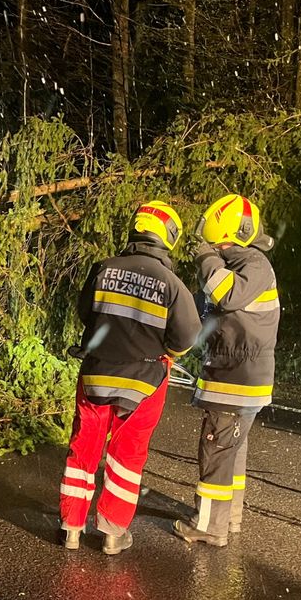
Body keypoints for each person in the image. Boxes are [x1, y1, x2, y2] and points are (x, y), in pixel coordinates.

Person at [60, 201, 202, 555]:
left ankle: (71, 528)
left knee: (84, 448)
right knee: (127, 454)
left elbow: (85, 313)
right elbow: (186, 338)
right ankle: (112, 532)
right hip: (145, 380)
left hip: (96, 373)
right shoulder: (172, 284)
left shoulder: (103, 268)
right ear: (168, 237)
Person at [173, 194, 280, 547]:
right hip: (239, 376)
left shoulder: (253, 266)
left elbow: (228, 295)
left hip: (236, 379)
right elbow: (208, 315)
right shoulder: (241, 264)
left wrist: (205, 259)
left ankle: (209, 526)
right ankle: (228, 518)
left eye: (213, 241)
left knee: (216, 450)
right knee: (231, 451)